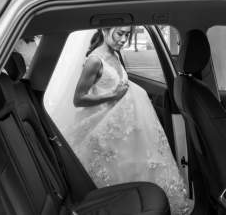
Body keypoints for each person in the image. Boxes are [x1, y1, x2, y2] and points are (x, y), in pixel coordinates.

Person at [48, 27, 191, 215]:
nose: (123, 39)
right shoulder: (94, 61)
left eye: (127, 35)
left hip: (126, 128)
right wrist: (112, 95)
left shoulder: (115, 54)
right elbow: (79, 98)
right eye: (119, 34)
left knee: (137, 168)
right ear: (105, 30)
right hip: (106, 127)